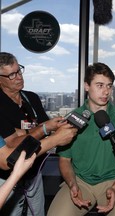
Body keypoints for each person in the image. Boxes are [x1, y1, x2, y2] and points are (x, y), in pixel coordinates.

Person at [47, 62, 115, 216]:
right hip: (80, 181)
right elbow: (64, 160)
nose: (106, 92)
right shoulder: (72, 119)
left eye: (109, 86)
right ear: (86, 86)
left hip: (114, 180)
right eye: (100, 85)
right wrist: (72, 184)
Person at [0, 52, 78, 216]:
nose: (19, 77)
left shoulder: (31, 98)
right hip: (7, 180)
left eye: (19, 70)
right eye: (11, 75)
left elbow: (40, 129)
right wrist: (44, 130)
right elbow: (13, 146)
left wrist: (54, 127)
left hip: (34, 176)